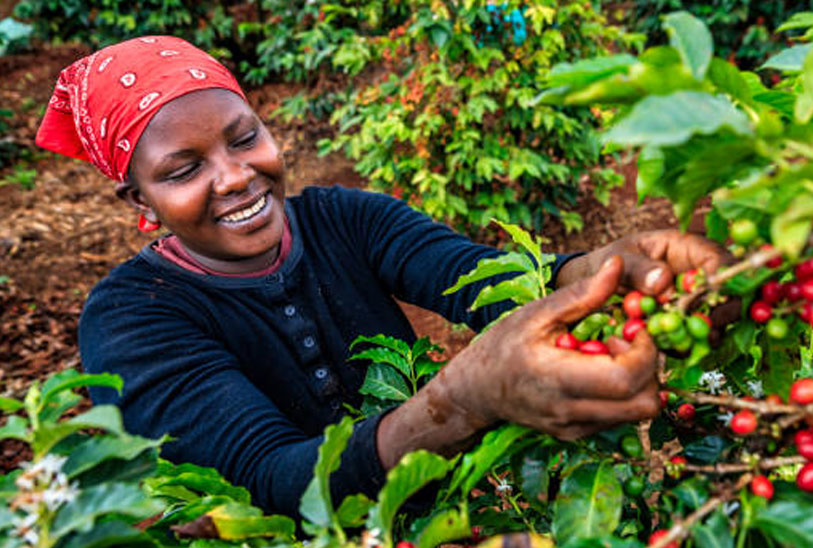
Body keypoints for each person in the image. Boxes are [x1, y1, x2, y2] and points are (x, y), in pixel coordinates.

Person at [36, 36, 731, 519]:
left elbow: (479, 278)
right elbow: (270, 483)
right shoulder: (132, 319)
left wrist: (608, 267)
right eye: (183, 171)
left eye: (244, 137)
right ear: (139, 201)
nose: (236, 176)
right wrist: (464, 399)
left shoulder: (345, 219)